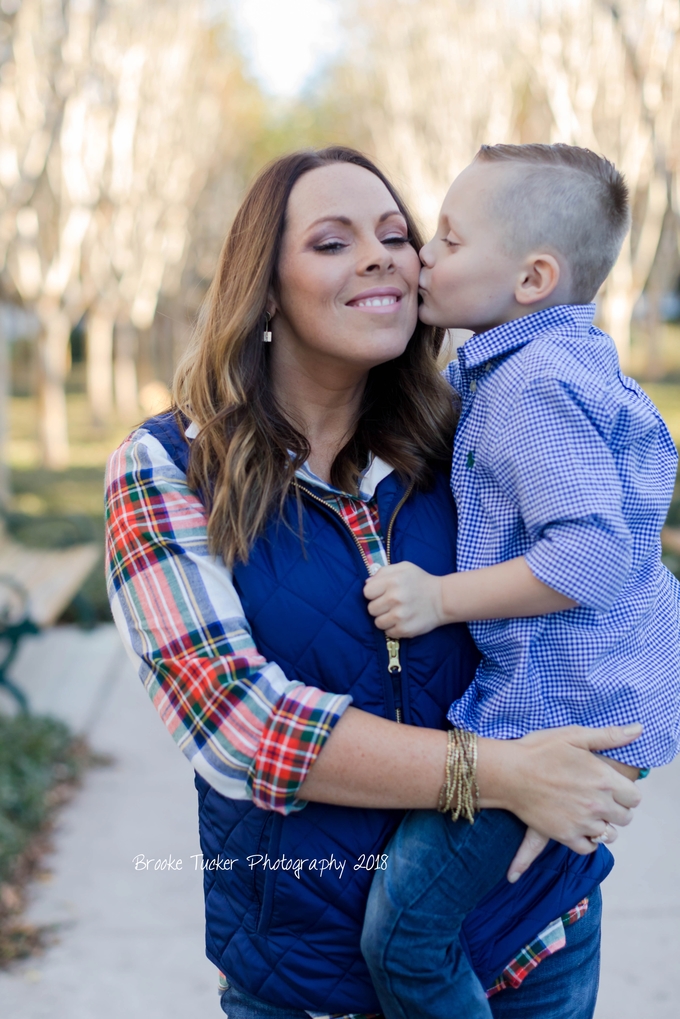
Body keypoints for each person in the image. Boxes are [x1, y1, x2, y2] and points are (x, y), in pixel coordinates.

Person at [104, 146, 642, 1019]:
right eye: (331, 241)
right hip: (309, 984)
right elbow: (241, 725)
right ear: (267, 289)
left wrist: (603, 764)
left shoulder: (481, 433)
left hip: (533, 939)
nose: (383, 254)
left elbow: (609, 594)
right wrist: (500, 773)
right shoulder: (168, 468)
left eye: (398, 234)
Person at [361, 143, 680, 1019]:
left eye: (451, 241)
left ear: (533, 277)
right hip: (593, 702)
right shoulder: (554, 363)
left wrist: (437, 598)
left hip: (551, 722)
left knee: (404, 936)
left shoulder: (532, 385)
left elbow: (588, 554)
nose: (423, 254)